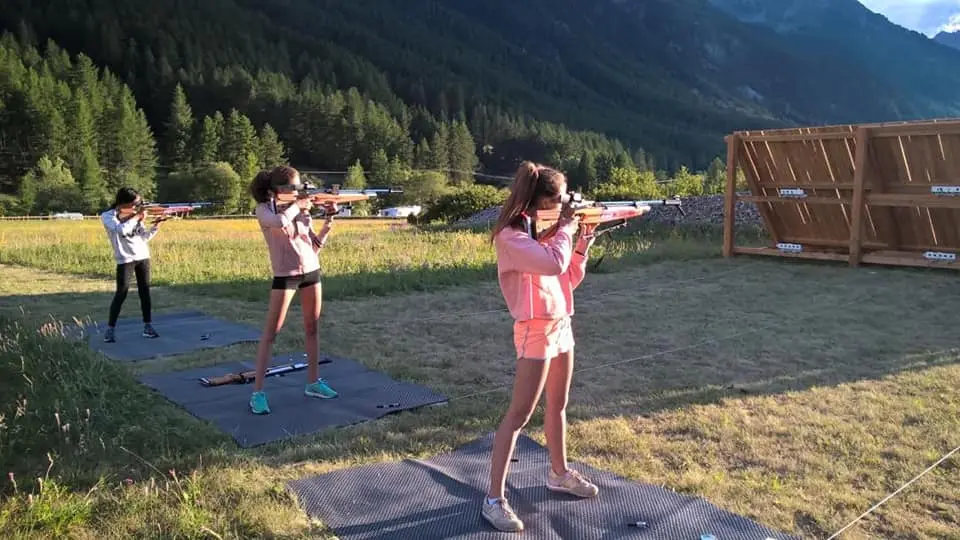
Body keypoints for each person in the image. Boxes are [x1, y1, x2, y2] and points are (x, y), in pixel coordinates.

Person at [482, 161, 599, 532]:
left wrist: (582, 243)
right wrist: (567, 228)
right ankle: (493, 499)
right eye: (559, 200)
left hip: (561, 323)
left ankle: (559, 473)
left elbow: (566, 277)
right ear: (541, 201)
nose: (564, 206)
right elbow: (552, 265)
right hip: (535, 330)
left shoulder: (543, 234)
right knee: (518, 415)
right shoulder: (512, 238)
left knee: (558, 405)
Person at [248, 165, 339, 414]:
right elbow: (279, 222)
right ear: (278, 190)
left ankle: (313, 382)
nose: (299, 192)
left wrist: (328, 220)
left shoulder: (299, 210)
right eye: (295, 188)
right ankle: (257, 393)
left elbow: (313, 246)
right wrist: (299, 205)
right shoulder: (264, 210)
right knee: (271, 334)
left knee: (312, 328)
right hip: (285, 275)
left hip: (311, 271)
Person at [100, 187, 162, 343]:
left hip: (142, 256)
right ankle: (110, 329)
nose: (136, 206)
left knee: (145, 292)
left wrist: (155, 227)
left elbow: (143, 237)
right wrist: (137, 217)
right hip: (125, 259)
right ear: (123, 202)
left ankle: (148, 326)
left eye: (138, 204)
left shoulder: (134, 216)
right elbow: (120, 230)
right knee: (121, 293)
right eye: (134, 204)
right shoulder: (108, 216)